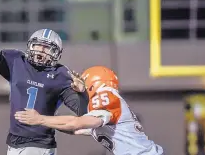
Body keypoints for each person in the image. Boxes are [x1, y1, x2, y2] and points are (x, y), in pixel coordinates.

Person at [0, 0, 88, 155]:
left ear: (56, 54)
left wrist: (82, 93)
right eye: (38, 46)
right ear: (30, 46)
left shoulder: (61, 75)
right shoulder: (17, 62)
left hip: (38, 145)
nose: (40, 51)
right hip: (14, 142)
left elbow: (83, 114)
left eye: (46, 49)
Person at [15, 66, 164, 155]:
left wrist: (40, 118)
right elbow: (75, 130)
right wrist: (48, 118)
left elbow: (77, 123)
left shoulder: (107, 95)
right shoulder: (105, 108)